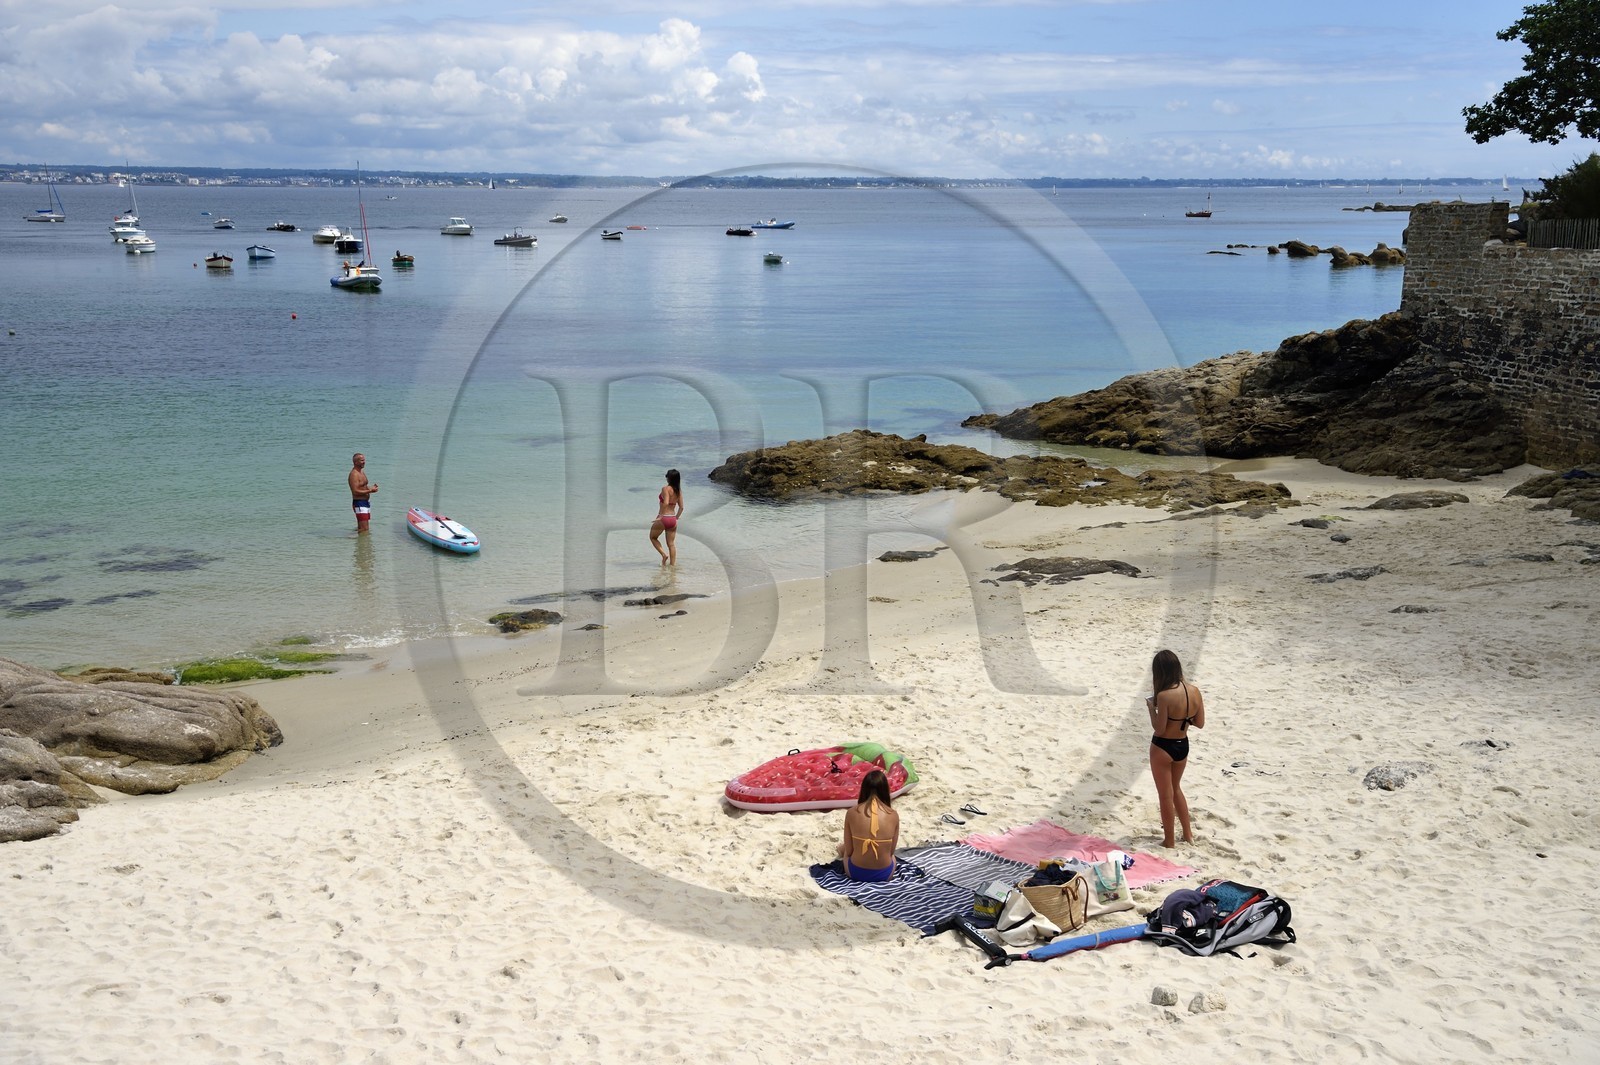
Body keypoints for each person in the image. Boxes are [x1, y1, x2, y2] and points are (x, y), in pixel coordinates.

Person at [1146, 649, 1204, 848]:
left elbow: (1159, 729)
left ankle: (1169, 841)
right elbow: (1200, 722)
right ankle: (1188, 834)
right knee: (1177, 789)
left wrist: (1151, 710)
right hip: (1183, 745)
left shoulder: (1163, 696)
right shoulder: (1194, 690)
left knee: (1165, 795)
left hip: (1163, 747)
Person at [836, 769, 899, 882]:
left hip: (855, 872)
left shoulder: (851, 812)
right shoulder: (893, 814)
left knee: (844, 850)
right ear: (885, 790)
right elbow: (891, 852)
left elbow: (849, 851)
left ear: (864, 789)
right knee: (893, 857)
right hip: (885, 874)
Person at [649, 468, 683, 566]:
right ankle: (672, 566)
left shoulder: (665, 489)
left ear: (669, 478)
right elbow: (681, 507)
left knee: (653, 537)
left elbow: (666, 502)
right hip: (672, 519)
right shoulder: (679, 491)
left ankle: (664, 555)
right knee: (671, 544)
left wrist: (660, 516)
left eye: (667, 476)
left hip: (663, 518)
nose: (666, 477)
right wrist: (676, 517)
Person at [348, 452, 378, 532]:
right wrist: (370, 490)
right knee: (364, 529)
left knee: (364, 528)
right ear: (356, 462)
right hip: (359, 503)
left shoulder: (361, 472)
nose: (364, 462)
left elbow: (362, 487)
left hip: (365, 502)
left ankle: (359, 543)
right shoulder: (354, 474)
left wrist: (371, 488)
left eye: (364, 460)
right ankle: (353, 540)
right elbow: (355, 491)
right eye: (361, 460)